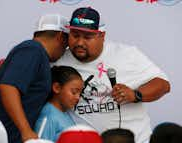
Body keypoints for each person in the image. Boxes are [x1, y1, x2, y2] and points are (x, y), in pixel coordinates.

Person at [54, 7, 171, 143]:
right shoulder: (59, 60)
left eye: (87, 37)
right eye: (75, 35)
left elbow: (163, 84)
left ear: (102, 36)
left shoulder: (127, 55)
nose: (80, 42)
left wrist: (135, 95)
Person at [0, 14, 69, 143]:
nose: (65, 50)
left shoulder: (36, 53)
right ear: (60, 37)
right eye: (66, 44)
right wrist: (26, 130)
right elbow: (8, 87)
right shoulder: (33, 50)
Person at [34, 66, 84, 142]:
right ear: (57, 88)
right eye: (74, 92)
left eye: (80, 94)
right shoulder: (48, 117)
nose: (78, 98)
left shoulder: (65, 112)